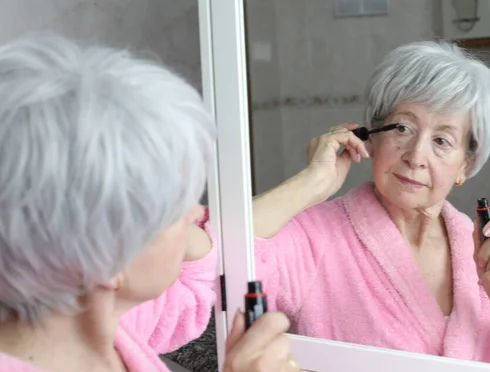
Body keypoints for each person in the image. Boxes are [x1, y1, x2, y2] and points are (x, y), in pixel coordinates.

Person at [204, 41, 490, 371]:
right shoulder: (317, 236)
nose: (416, 156)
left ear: (466, 165)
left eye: (442, 141)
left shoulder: (478, 250)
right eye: (401, 128)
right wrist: (310, 184)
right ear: (372, 137)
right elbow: (204, 259)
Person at [0, 34, 298, 372]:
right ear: (107, 260)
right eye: (175, 210)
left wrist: (314, 181)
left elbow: (194, 280)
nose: (197, 213)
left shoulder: (102, 318)